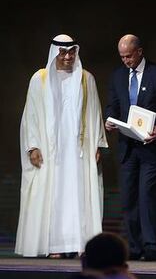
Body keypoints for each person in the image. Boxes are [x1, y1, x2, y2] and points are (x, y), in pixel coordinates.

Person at [16, 34, 107, 258]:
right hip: (50, 150)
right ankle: (53, 246)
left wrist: (97, 144)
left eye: (71, 52)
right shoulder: (40, 78)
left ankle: (80, 244)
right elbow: (31, 116)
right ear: (54, 52)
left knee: (79, 195)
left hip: (78, 152)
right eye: (63, 52)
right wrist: (33, 146)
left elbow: (94, 113)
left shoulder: (86, 79)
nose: (67, 57)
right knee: (53, 195)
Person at [105, 34, 156, 262]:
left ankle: (152, 247)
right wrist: (110, 120)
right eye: (122, 57)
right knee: (128, 199)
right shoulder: (117, 76)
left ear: (139, 51)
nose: (125, 60)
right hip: (127, 148)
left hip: (151, 148)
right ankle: (135, 247)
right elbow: (112, 106)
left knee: (147, 197)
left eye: (128, 56)